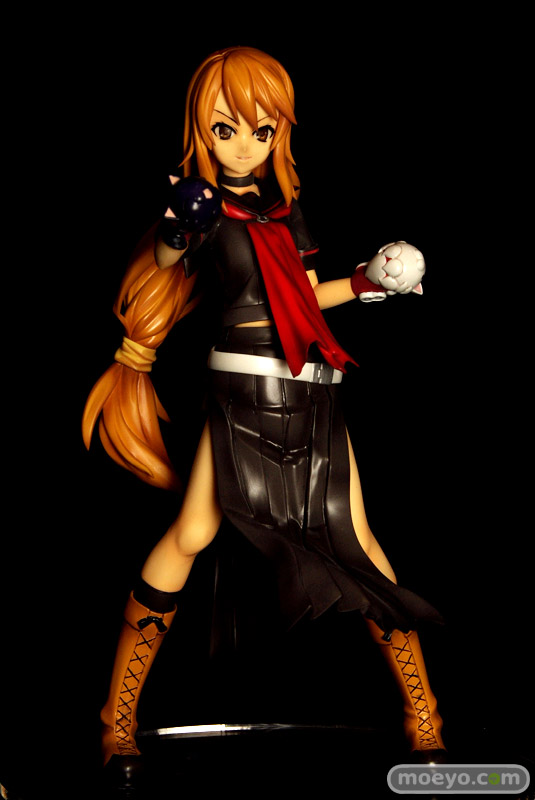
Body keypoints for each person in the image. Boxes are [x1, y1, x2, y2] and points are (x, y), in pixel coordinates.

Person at [83, 45, 446, 779]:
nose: (244, 144)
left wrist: (368, 282)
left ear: (279, 132)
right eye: (226, 129)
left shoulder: (284, 213)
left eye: (261, 128)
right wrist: (180, 224)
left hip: (311, 391)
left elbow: (306, 300)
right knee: (191, 533)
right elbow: (165, 258)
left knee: (357, 543)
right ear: (202, 131)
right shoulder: (201, 208)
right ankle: (115, 719)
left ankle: (425, 717)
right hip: (241, 391)